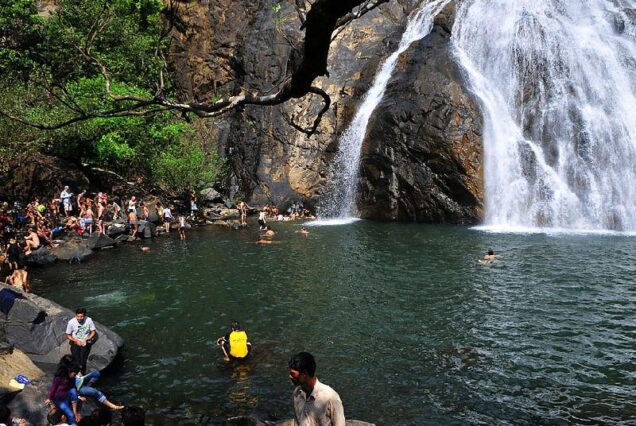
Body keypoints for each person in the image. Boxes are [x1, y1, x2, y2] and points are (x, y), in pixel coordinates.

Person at [289, 352, 345, 426]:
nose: (290, 376)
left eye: (293, 374)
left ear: (304, 374)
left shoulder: (330, 397)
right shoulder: (296, 394)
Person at [66, 308, 97, 374]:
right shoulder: (71, 322)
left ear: (84, 316)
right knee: (76, 359)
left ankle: (82, 373)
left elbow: (93, 331)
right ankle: (76, 373)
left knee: (83, 359)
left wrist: (87, 338)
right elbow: (68, 335)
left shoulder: (88, 320)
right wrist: (76, 340)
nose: (79, 318)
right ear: (76, 315)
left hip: (85, 341)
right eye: (78, 316)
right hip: (75, 341)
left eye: (81, 316)